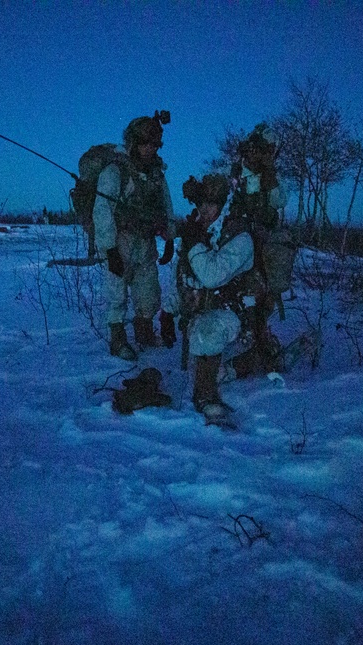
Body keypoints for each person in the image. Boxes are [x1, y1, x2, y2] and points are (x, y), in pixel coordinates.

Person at [94, 112, 174, 361]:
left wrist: (170, 238)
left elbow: (166, 205)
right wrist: (110, 249)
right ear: (133, 142)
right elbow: (102, 211)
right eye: (145, 143)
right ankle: (118, 340)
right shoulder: (115, 171)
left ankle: (144, 334)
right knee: (116, 293)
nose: (150, 149)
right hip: (121, 240)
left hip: (146, 242)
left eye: (154, 144)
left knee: (149, 293)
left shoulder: (157, 174)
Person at [177, 173, 256, 425]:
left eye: (211, 204)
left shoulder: (240, 237)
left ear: (224, 204)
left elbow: (212, 276)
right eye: (201, 204)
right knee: (205, 340)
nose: (204, 210)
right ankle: (230, 369)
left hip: (237, 312)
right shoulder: (202, 231)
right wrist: (169, 311)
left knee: (207, 332)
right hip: (203, 308)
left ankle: (206, 395)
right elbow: (184, 276)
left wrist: (194, 247)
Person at [223, 123, 293, 380]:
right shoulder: (234, 172)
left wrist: (270, 173)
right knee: (244, 287)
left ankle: (260, 331)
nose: (262, 155)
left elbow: (279, 200)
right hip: (239, 240)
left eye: (269, 151)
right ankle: (246, 334)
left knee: (269, 288)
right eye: (261, 150)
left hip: (265, 241)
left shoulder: (270, 174)